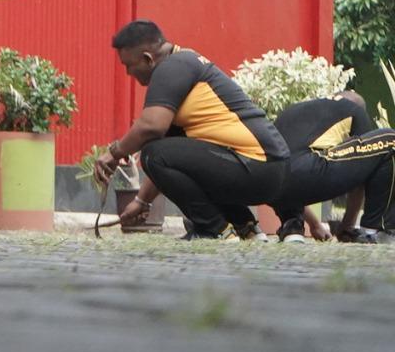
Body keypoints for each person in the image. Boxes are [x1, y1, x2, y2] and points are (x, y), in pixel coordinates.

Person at [94, 21, 288, 240]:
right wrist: (142, 201)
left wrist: (114, 153)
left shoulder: (172, 67)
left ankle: (214, 230)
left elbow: (150, 127)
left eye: (128, 65)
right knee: (161, 153)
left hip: (256, 165)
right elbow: (175, 161)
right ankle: (245, 227)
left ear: (148, 59)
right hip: (267, 169)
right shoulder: (183, 64)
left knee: (153, 152)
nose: (128, 72)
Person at [265, 92, 395, 244]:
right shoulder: (354, 109)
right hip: (306, 173)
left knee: (287, 165)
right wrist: (348, 225)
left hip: (269, 184)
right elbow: (362, 171)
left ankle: (292, 226)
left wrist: (314, 225)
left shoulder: (294, 110)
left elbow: (291, 172)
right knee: (390, 141)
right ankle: (375, 230)